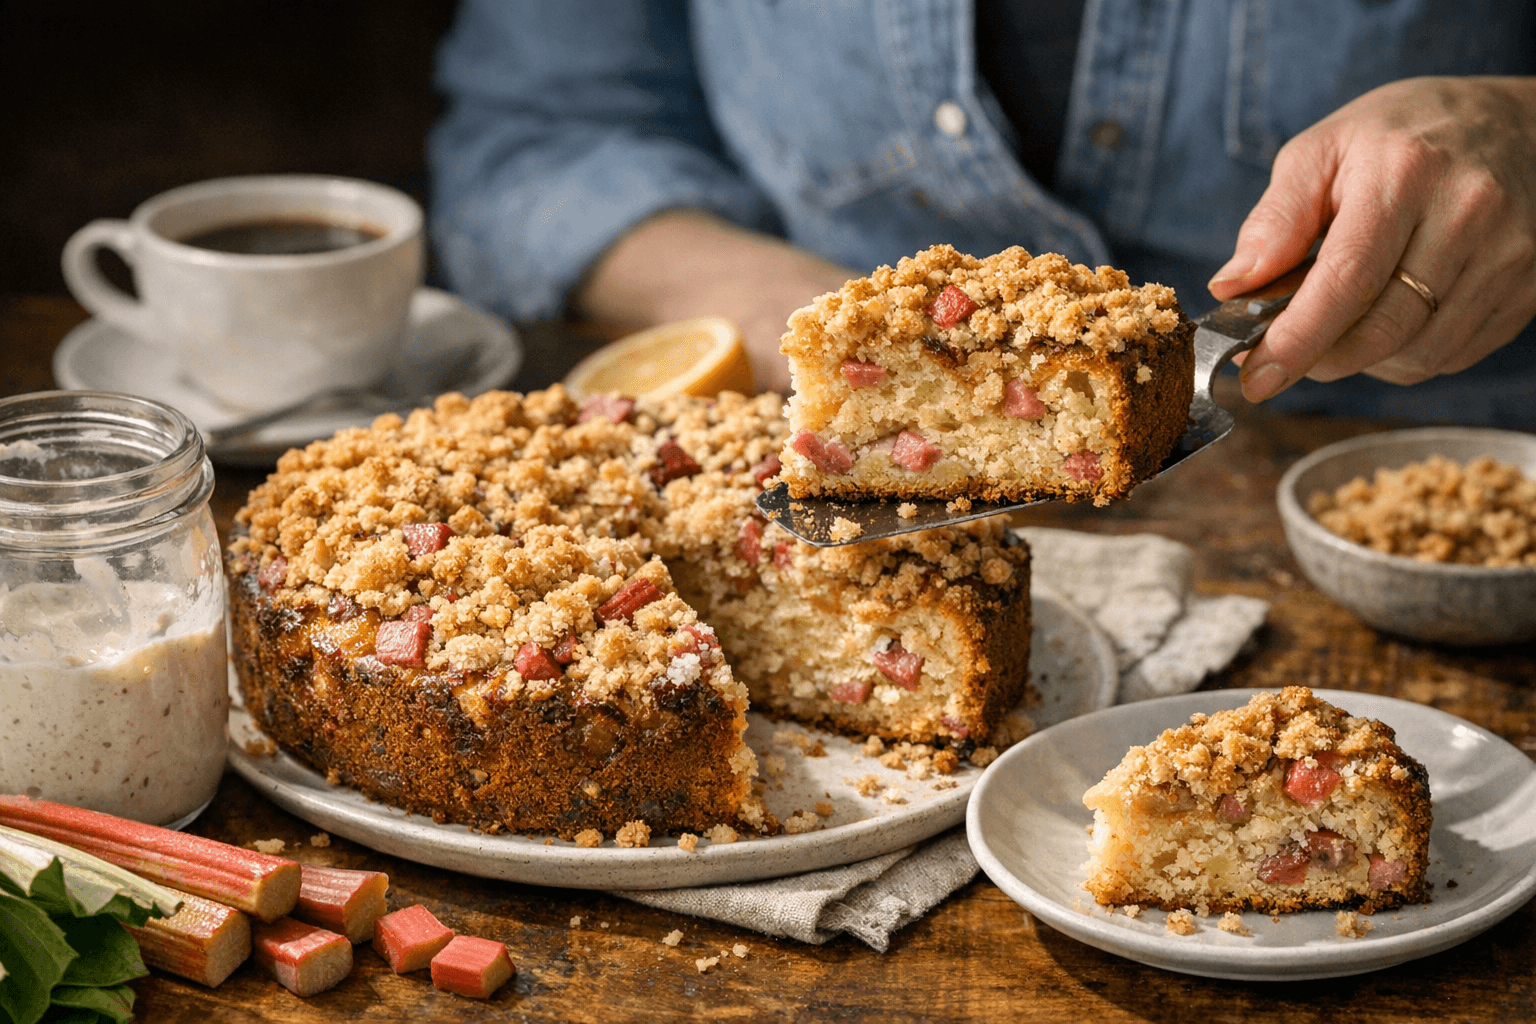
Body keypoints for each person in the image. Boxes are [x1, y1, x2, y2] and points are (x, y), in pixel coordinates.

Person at [427, 1, 1536, 427]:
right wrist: (846, 342)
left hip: (1425, 455)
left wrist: (1521, 131)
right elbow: (538, 138)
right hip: (849, 435)